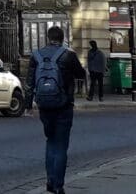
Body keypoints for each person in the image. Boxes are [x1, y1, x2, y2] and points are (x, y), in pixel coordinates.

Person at [28, 25, 87, 194]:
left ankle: (50, 180)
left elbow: (30, 82)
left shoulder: (36, 55)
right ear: (62, 39)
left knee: (50, 141)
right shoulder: (68, 55)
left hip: (44, 106)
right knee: (61, 145)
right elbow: (81, 74)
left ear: (48, 38)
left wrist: (27, 105)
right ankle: (58, 185)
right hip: (64, 105)